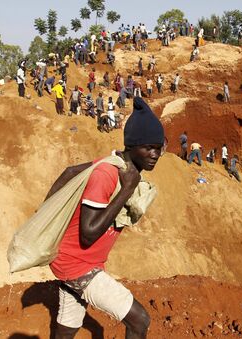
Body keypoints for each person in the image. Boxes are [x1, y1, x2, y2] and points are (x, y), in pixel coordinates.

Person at [48, 96, 164, 339]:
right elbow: (88, 234)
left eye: (159, 147)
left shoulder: (115, 164)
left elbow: (70, 172)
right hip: (77, 264)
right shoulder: (108, 174)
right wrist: (126, 191)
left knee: (67, 328)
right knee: (139, 320)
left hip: (77, 261)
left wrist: (46, 210)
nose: (155, 154)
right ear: (132, 145)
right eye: (149, 147)